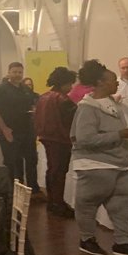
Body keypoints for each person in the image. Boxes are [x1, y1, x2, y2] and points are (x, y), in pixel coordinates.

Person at [69, 64, 128, 255]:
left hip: (121, 164)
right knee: (87, 205)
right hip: (95, 165)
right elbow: (84, 138)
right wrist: (118, 134)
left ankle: (122, 242)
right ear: (100, 83)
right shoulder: (88, 108)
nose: (117, 83)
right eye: (113, 80)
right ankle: (87, 239)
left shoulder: (113, 104)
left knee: (121, 206)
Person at [0, 61, 41, 197]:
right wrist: (5, 129)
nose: (17, 75)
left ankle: (33, 191)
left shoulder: (25, 89)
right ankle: (13, 193)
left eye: (20, 72)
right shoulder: (0, 89)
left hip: (27, 132)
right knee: (12, 163)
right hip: (10, 132)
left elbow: (34, 104)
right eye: (15, 72)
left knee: (31, 160)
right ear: (9, 72)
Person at [34, 67, 77, 218]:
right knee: (59, 172)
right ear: (63, 83)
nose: (71, 87)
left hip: (46, 138)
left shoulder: (43, 97)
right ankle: (58, 203)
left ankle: (53, 202)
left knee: (52, 170)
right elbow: (73, 120)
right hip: (61, 139)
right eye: (70, 84)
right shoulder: (63, 100)